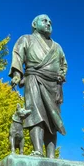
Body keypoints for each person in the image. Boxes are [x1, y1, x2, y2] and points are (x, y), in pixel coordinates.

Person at [9, 14, 67, 158]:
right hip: (33, 78)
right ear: (34, 24)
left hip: (53, 84)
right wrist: (17, 75)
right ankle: (37, 150)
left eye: (50, 21)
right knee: (35, 113)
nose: (48, 23)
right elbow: (17, 56)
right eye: (44, 20)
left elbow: (63, 64)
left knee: (52, 119)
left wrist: (61, 74)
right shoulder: (26, 39)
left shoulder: (57, 47)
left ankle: (52, 156)